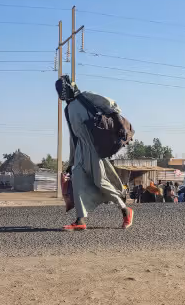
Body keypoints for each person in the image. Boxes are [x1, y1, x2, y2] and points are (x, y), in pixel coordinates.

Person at [56, 75, 133, 231]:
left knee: (100, 181)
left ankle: (125, 210)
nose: (62, 95)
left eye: (63, 91)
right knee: (77, 181)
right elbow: (73, 136)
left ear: (70, 88)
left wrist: (119, 125)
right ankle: (80, 220)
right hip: (80, 151)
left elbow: (111, 105)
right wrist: (71, 161)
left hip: (94, 147)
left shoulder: (86, 97)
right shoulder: (68, 109)